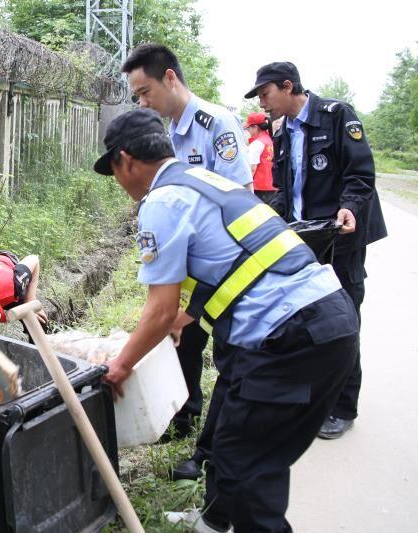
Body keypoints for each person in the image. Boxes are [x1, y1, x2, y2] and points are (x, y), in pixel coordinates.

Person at [94, 107, 358, 532]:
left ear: (125, 159)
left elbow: (158, 310)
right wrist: (190, 315)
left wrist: (120, 366)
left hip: (287, 336)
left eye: (115, 171)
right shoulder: (207, 180)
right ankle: (214, 522)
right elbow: (238, 256)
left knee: (249, 466)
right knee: (230, 431)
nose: (120, 183)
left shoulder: (160, 202)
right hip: (327, 318)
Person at [121, 43, 253, 481]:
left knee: (225, 354)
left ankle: (211, 455)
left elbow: (236, 204)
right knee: (182, 340)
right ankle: (183, 414)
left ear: (170, 78)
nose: (143, 103)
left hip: (229, 266)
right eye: (137, 97)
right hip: (196, 264)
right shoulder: (169, 133)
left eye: (144, 92)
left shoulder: (217, 123)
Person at [245, 62, 387, 439]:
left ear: (288, 86)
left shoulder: (337, 116)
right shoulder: (283, 131)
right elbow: (285, 189)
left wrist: (350, 207)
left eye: (265, 94)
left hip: (341, 237)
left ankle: (342, 407)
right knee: (308, 319)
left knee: (343, 319)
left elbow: (361, 174)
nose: (263, 102)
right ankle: (310, 398)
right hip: (305, 242)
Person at [244, 112, 277, 205]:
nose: (248, 131)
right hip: (272, 187)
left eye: (249, 128)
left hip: (259, 189)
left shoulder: (257, 143)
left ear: (255, 127)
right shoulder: (270, 140)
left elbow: (252, 168)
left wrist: (245, 189)